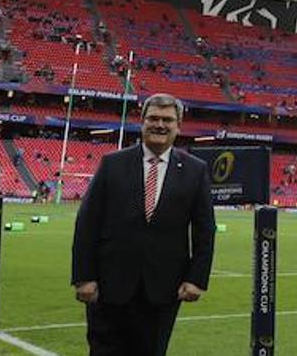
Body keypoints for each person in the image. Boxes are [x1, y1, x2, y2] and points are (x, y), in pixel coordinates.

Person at [71, 93, 216, 356]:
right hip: (108, 286)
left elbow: (205, 230)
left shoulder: (196, 170)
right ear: (142, 121)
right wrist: (84, 277)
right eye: (154, 118)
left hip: (163, 288)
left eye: (168, 120)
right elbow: (87, 224)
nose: (160, 125)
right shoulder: (112, 164)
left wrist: (197, 279)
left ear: (178, 126)